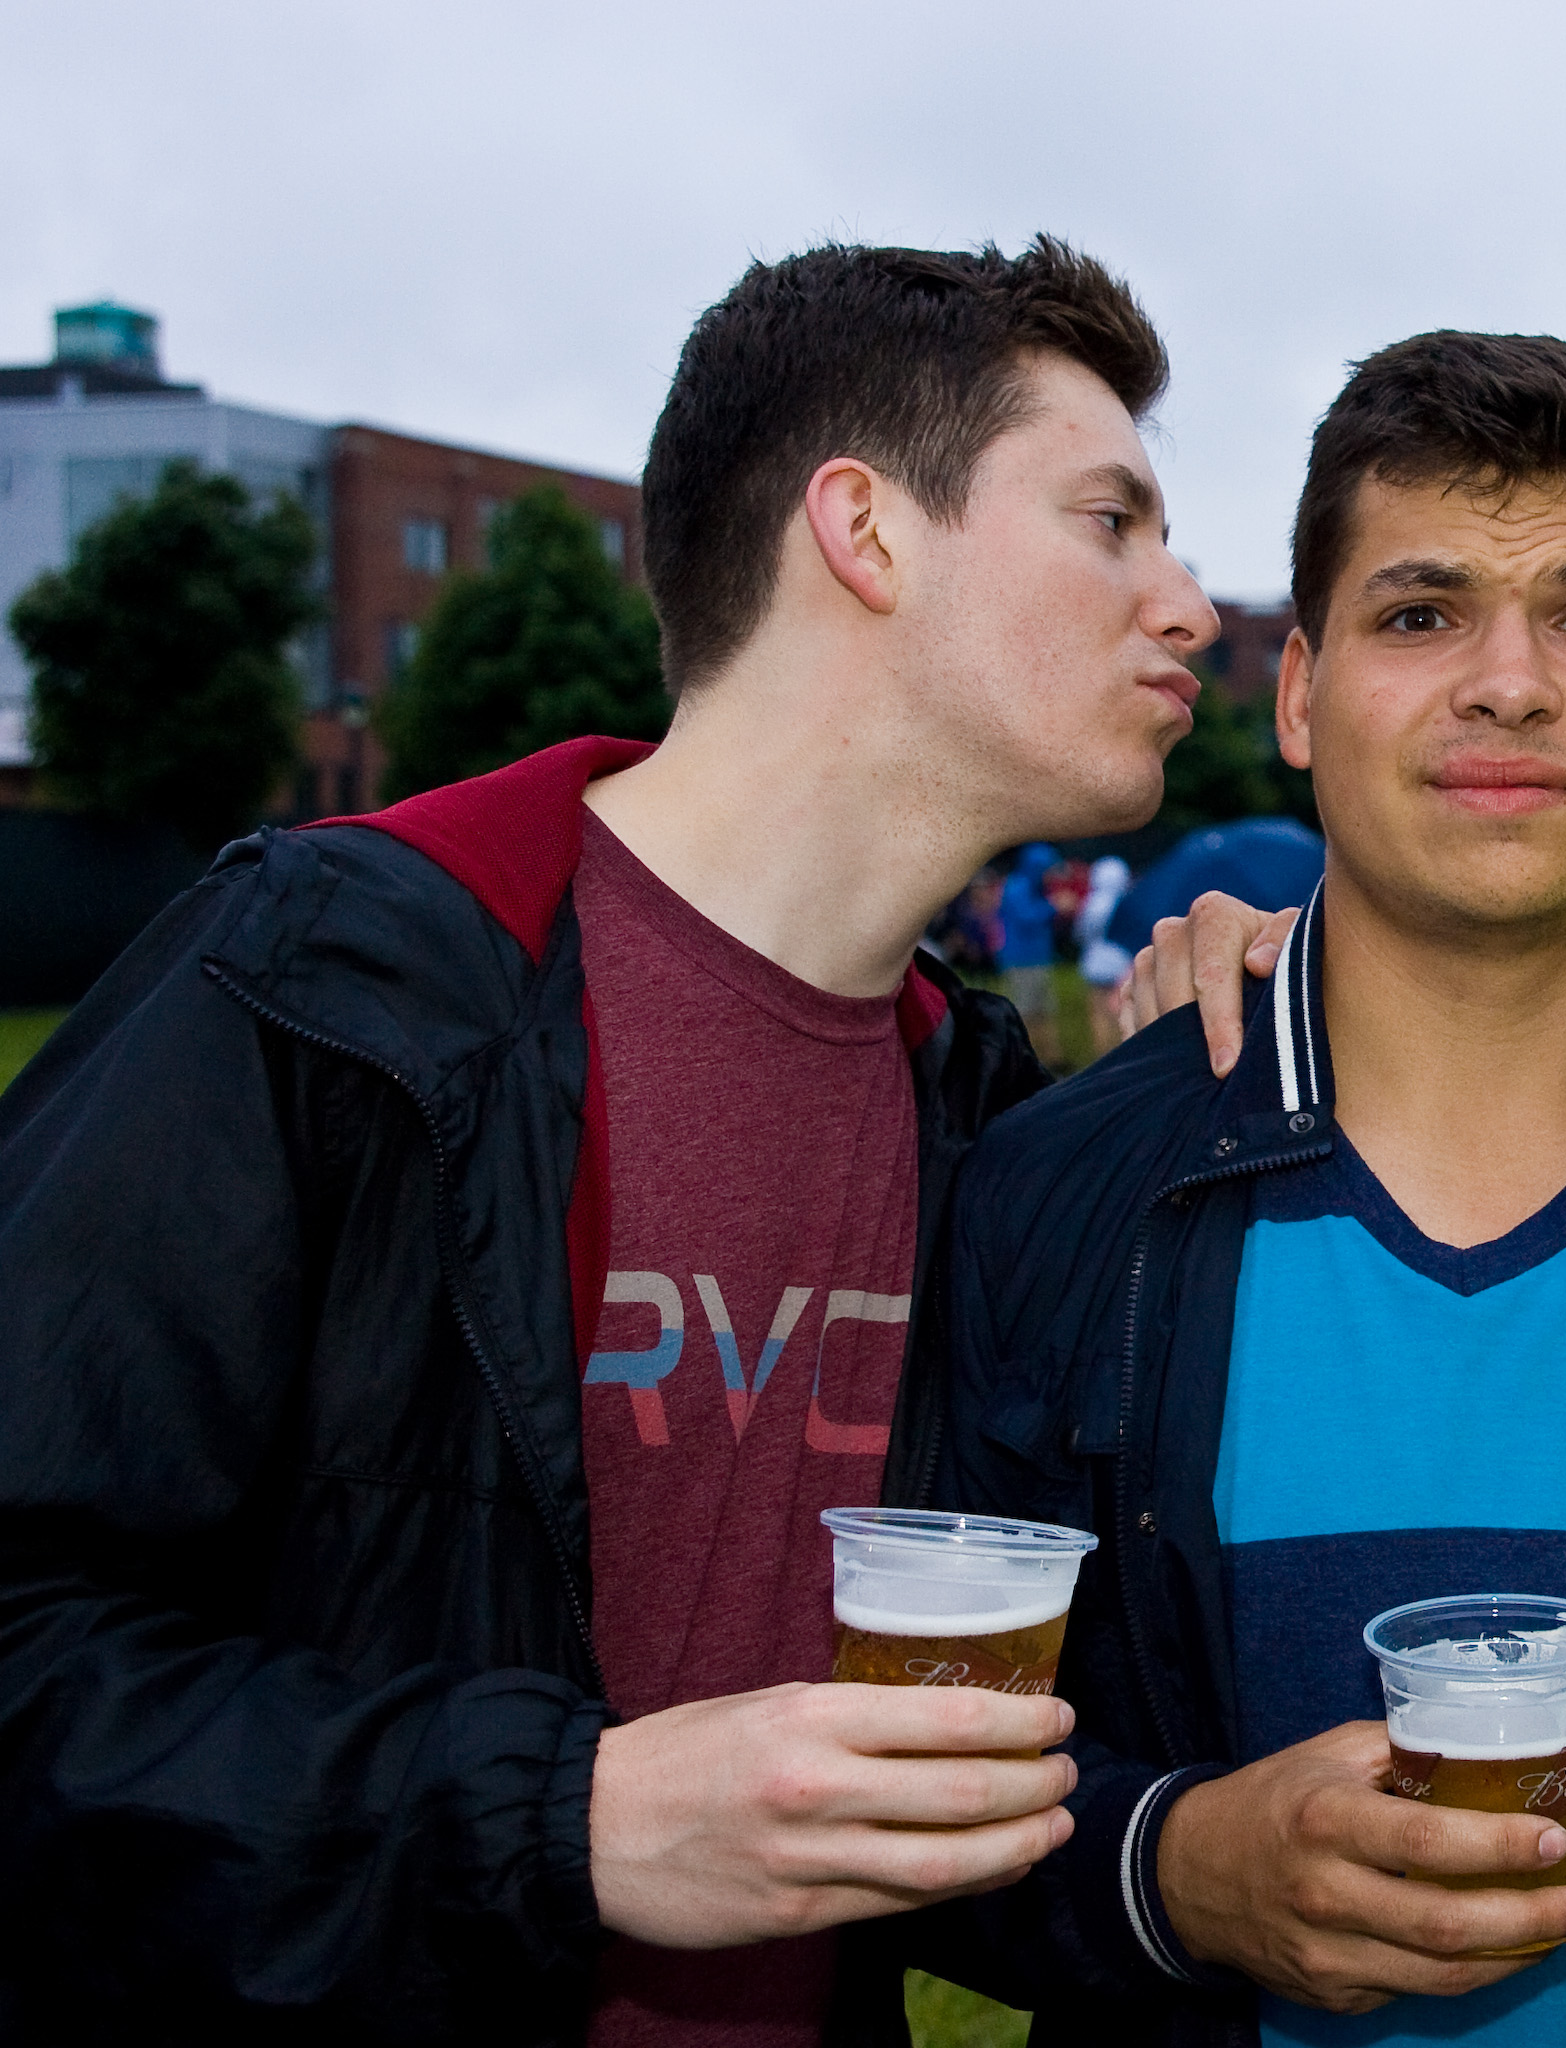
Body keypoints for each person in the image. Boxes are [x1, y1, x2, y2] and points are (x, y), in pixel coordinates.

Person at [0, 238, 1221, 2045]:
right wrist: (566, 1814)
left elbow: (1011, 1772)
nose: (1187, 601)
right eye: (1112, 519)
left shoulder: (983, 1114)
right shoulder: (335, 980)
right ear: (864, 532)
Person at [923, 332, 1566, 2045]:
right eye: (1420, 614)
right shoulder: (1057, 1185)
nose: (1508, 682)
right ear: (1301, 693)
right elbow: (926, 1803)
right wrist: (1173, 1869)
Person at [1001, 843, 1070, 1069]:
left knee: (1044, 1010)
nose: (1052, 875)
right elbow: (1026, 918)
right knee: (1027, 1011)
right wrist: (1054, 907)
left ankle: (1051, 1058)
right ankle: (1026, 1059)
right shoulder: (1016, 887)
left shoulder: (1036, 889)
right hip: (1022, 961)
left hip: (1039, 958)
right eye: (1048, 869)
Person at [1075, 853, 1135, 1055]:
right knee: (1123, 1011)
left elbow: (1081, 933)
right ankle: (1123, 1053)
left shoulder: (1092, 903)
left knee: (1099, 1013)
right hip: (1122, 963)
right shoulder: (1127, 902)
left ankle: (1103, 1054)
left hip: (1095, 963)